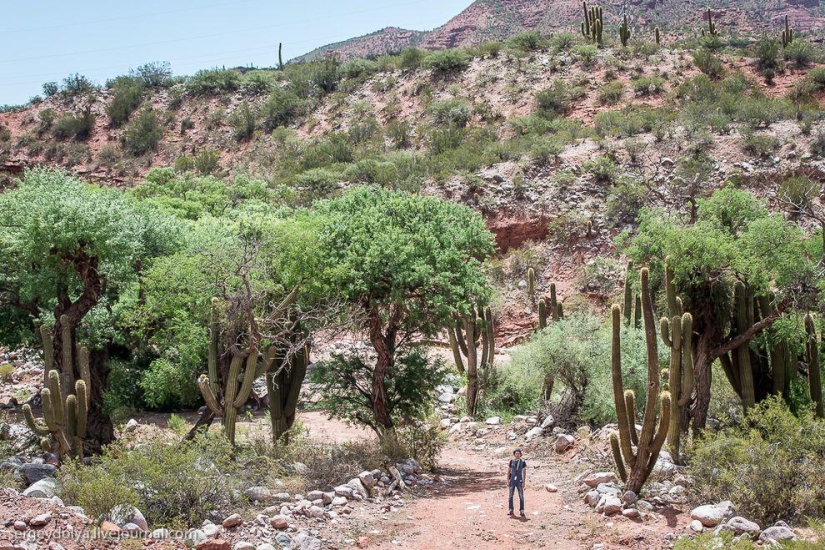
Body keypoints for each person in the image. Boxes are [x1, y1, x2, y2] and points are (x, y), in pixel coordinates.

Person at [507, 448, 527, 517]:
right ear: (514, 454)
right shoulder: (511, 461)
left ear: (520, 454)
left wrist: (524, 482)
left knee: (521, 496)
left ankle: (522, 510)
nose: (517, 455)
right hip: (512, 480)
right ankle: (510, 509)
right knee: (510, 496)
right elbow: (508, 471)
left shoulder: (523, 462)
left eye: (518, 453)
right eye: (516, 453)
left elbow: (524, 472)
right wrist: (507, 480)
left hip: (519, 481)